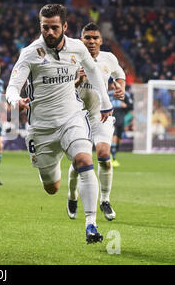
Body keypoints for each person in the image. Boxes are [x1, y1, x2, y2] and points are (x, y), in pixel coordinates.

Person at [6, 4, 113, 244]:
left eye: (55, 27)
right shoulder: (30, 53)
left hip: (71, 118)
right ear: (40, 27)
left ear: (64, 26)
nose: (50, 32)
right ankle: (61, 174)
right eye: (45, 27)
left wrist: (105, 101)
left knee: (85, 160)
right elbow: (12, 87)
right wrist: (16, 100)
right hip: (41, 128)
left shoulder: (77, 47)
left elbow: (94, 71)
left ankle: (91, 224)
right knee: (51, 187)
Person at [67, 22, 126, 222]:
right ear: (80, 40)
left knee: (103, 156)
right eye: (87, 38)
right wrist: (77, 82)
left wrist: (121, 89)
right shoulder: (71, 59)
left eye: (95, 38)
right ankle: (72, 195)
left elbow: (120, 75)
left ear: (101, 40)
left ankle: (105, 200)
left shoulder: (109, 58)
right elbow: (61, 90)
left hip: (101, 115)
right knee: (79, 162)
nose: (91, 41)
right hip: (77, 116)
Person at [109, 81, 133, 167]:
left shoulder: (125, 95)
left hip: (121, 120)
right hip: (111, 119)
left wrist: (125, 105)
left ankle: (113, 156)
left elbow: (131, 106)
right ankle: (112, 158)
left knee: (119, 140)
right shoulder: (109, 94)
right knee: (114, 138)